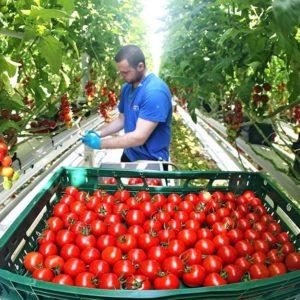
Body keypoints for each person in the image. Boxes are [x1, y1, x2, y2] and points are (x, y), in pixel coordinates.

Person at [81, 45, 172, 167]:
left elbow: (139, 137)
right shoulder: (127, 88)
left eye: (125, 72)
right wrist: (99, 133)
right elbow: (122, 120)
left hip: (151, 162)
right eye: (120, 72)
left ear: (140, 66)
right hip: (129, 155)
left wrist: (100, 144)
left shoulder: (155, 92)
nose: (122, 76)